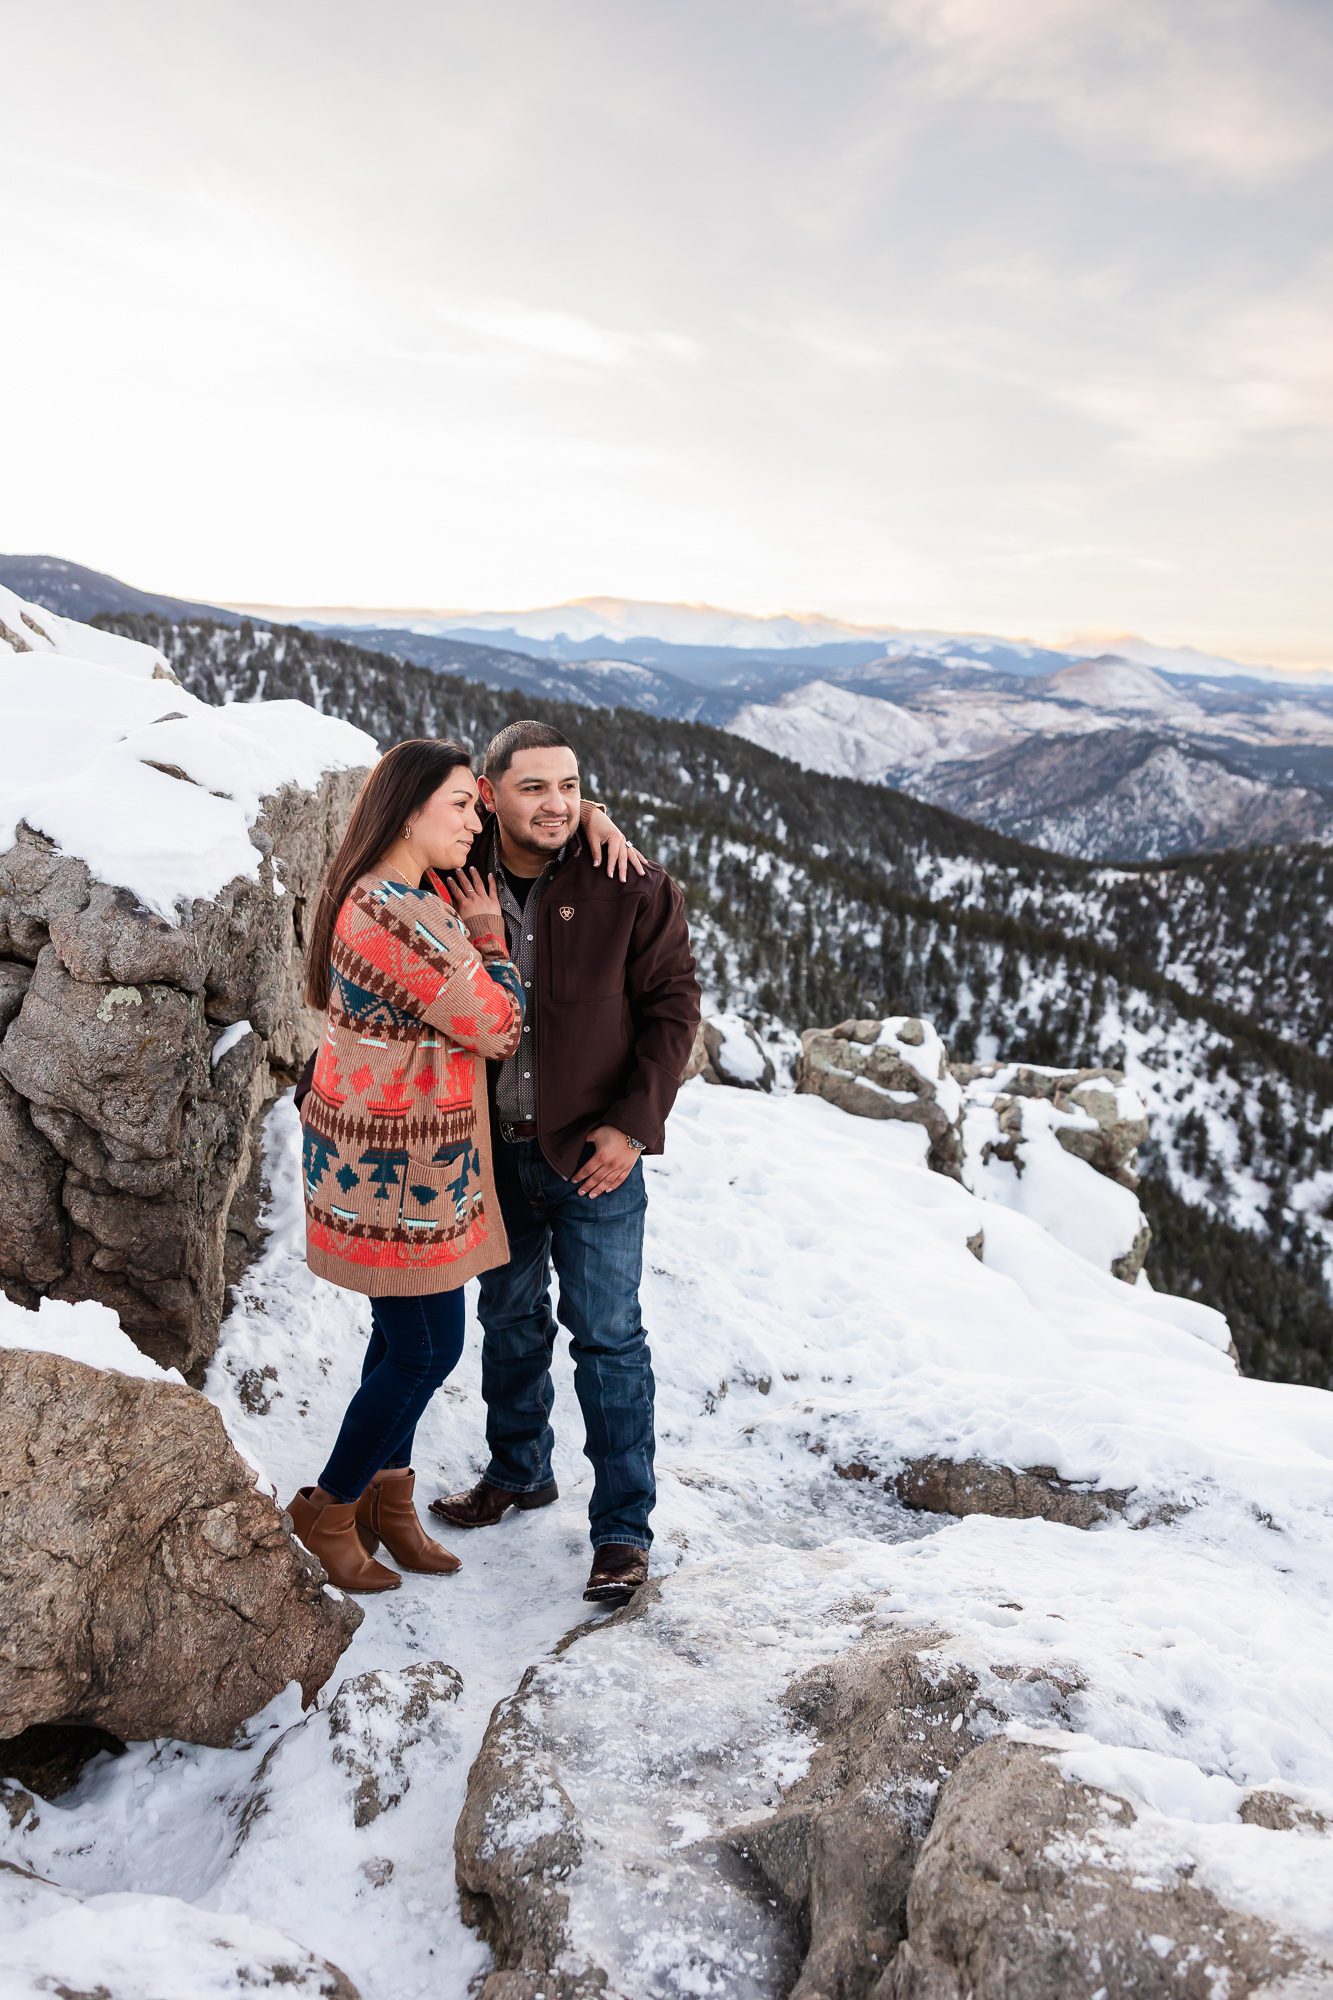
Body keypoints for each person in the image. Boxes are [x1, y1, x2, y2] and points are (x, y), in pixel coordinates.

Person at [288, 738, 638, 1593]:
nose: (476, 821)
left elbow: (525, 818)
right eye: (461, 806)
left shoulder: (407, 888)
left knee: (399, 1339)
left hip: (406, 1165)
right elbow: (497, 1022)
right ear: (410, 811)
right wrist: (488, 934)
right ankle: (329, 1507)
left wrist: (585, 812)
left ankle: (387, 1505)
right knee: (425, 1348)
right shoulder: (393, 914)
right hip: (394, 1175)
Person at [429, 720, 701, 1604]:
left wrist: (631, 1128)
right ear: (489, 791)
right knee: (508, 1321)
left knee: (608, 1339)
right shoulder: (448, 875)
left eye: (571, 786)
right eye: (534, 787)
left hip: (594, 1153)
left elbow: (671, 1010)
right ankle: (519, 1470)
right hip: (489, 1152)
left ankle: (622, 1531)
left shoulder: (630, 882)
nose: (557, 803)